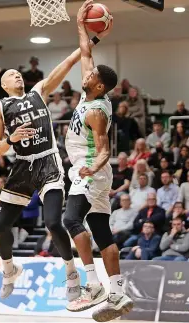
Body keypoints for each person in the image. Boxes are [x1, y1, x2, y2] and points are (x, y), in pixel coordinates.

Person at [0, 8, 106, 302]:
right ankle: (8, 269)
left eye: (18, 73)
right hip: (22, 167)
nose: (16, 75)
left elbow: (68, 62)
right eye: (10, 75)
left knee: (54, 222)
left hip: (49, 162)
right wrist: (11, 140)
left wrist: (92, 39)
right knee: (1, 226)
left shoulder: (38, 91)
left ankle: (71, 273)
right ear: (4, 85)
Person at [63, 1, 133, 320]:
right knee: (101, 231)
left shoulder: (95, 111)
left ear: (99, 85)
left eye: (90, 75)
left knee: (70, 219)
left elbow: (105, 148)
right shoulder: (90, 94)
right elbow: (86, 52)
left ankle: (93, 285)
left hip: (91, 172)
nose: (86, 72)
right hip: (96, 175)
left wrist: (92, 166)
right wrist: (82, 24)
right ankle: (118, 294)